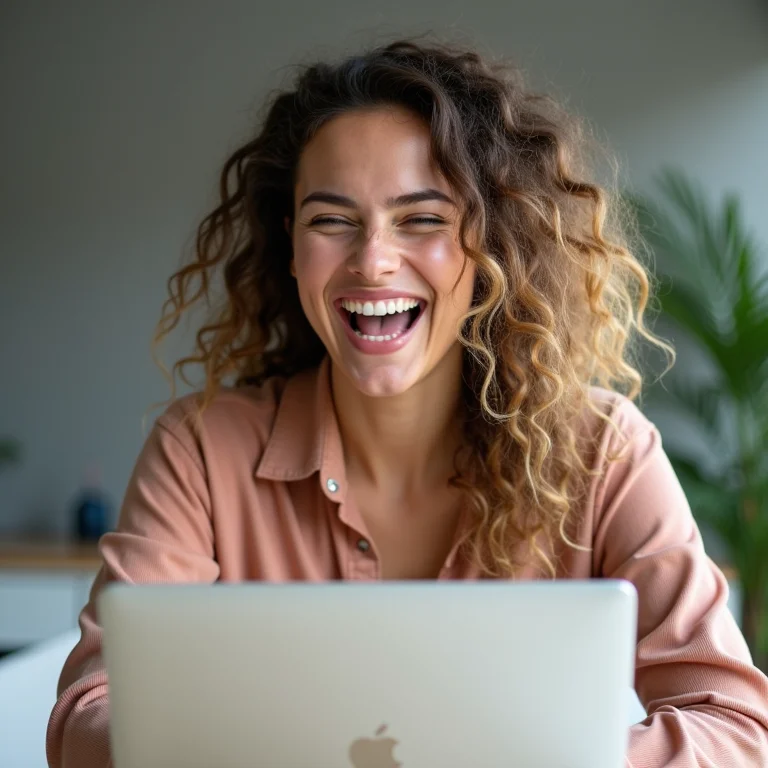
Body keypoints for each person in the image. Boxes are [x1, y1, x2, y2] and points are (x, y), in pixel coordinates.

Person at [46, 36, 768, 768]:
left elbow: (737, 729)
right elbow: (88, 718)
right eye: (331, 221)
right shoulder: (201, 450)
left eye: (422, 219)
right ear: (290, 248)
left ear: (493, 248)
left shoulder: (604, 449)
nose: (372, 260)